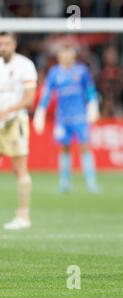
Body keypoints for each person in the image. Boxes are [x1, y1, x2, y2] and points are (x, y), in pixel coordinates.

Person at [33, 44, 100, 193]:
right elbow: (47, 93)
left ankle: (91, 182)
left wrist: (93, 106)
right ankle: (64, 183)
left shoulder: (81, 71)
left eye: (69, 54)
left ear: (73, 56)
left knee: (85, 146)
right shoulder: (54, 73)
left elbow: (90, 90)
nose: (66, 57)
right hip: (62, 118)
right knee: (64, 149)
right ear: (59, 56)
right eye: (63, 54)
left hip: (80, 116)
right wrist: (41, 111)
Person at [0, 32, 37, 230]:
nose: (3, 47)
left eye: (6, 44)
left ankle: (23, 216)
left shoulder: (25, 65)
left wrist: (6, 111)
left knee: (19, 168)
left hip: (15, 122)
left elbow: (29, 99)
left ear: (14, 45)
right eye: (0, 44)